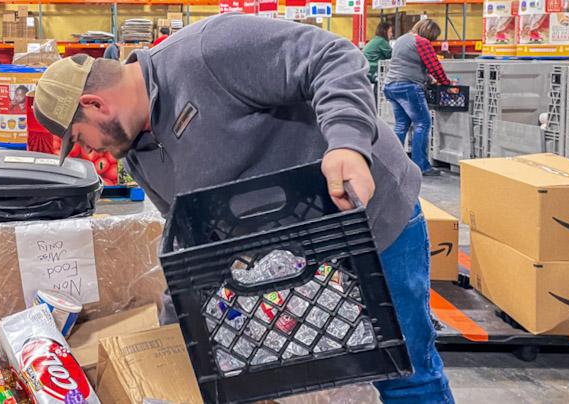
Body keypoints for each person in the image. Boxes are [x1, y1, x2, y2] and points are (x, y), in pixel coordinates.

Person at [32, 13, 454, 403]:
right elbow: (194, 238)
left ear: (93, 105)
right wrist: (172, 337)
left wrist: (347, 143)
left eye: (81, 139)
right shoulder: (138, 154)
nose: (89, 151)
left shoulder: (209, 52)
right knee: (334, 368)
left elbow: (331, 56)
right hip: (298, 259)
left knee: (405, 370)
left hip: (370, 224)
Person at [384, 19, 451, 176]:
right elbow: (434, 66)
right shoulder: (421, 42)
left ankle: (392, 163)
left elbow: (409, 65)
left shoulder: (401, 40)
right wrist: (446, 84)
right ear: (429, 32)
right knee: (422, 123)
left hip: (391, 86)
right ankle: (421, 166)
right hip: (408, 88)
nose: (431, 41)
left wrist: (428, 79)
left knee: (401, 125)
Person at [363, 21, 393, 89]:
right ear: (385, 31)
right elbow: (392, 55)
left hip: (368, 70)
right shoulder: (381, 41)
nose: (392, 34)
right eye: (390, 31)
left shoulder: (375, 39)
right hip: (374, 72)